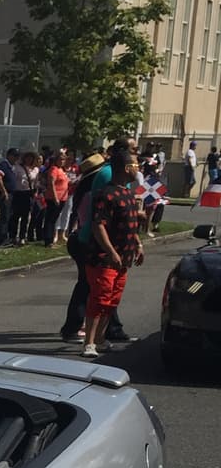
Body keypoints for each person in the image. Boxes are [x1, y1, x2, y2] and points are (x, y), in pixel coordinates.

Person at [60, 147, 129, 345]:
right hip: (86, 242)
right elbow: (95, 222)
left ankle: (105, 328)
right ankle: (75, 328)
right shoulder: (92, 196)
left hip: (82, 240)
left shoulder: (87, 193)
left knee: (96, 286)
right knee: (89, 286)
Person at [84, 140, 144, 357]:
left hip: (123, 259)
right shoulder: (106, 194)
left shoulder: (127, 194)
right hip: (104, 259)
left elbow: (130, 224)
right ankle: (89, 342)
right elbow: (98, 225)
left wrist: (138, 244)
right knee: (99, 299)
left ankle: (101, 338)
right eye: (136, 166)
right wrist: (111, 252)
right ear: (126, 168)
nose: (138, 169)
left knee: (112, 301)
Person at [8, 149, 34, 246]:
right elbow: (13, 179)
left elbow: (36, 181)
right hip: (18, 193)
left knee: (25, 217)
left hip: (28, 193)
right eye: (27, 158)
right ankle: (13, 236)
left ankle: (22, 237)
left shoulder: (35, 169)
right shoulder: (17, 168)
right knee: (15, 216)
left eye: (31, 158)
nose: (29, 160)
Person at [0, 148, 16, 246]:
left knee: (4, 216)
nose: (16, 158)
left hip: (10, 194)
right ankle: (2, 239)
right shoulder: (3, 165)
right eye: (14, 156)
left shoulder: (11, 167)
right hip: (3, 195)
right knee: (4, 217)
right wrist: (4, 191)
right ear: (9, 155)